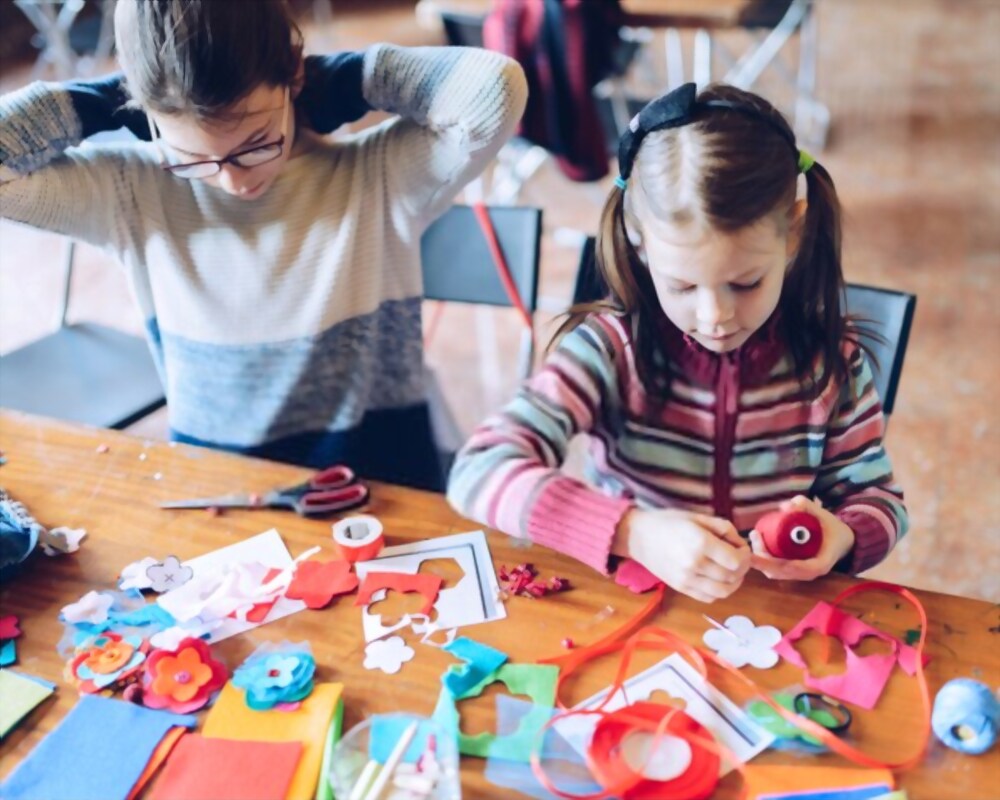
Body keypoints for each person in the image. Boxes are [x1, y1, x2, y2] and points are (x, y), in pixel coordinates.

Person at [0, 0, 527, 491]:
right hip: (224, 487)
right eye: (193, 158)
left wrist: (336, 80)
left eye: (255, 145)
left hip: (382, 485)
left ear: (294, 73)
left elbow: (494, 89)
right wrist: (115, 99)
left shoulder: (379, 175)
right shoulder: (131, 193)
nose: (232, 181)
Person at [447, 83, 908, 603]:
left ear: (793, 236)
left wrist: (840, 534)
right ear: (641, 246)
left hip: (772, 619)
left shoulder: (834, 364)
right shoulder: (609, 351)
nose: (716, 317)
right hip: (636, 607)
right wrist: (633, 532)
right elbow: (479, 471)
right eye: (683, 287)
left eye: (746, 282)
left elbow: (879, 501)